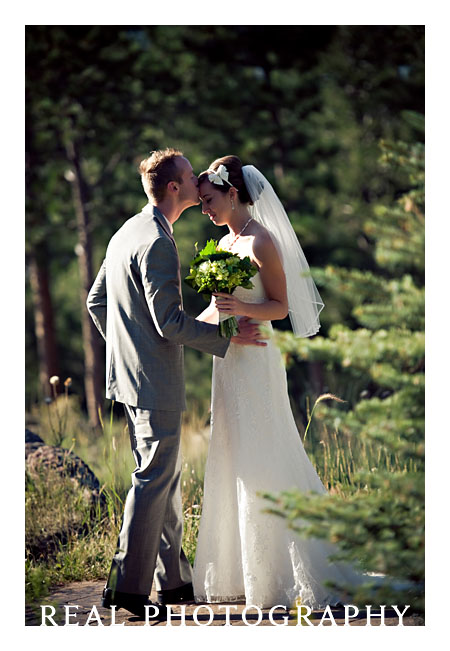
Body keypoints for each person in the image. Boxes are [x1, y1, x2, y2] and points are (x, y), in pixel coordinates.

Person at [86, 148, 265, 620]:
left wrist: (126, 351)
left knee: (164, 478)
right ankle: (127, 589)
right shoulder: (159, 243)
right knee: (153, 480)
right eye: (190, 175)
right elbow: (168, 323)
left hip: (128, 379)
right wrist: (225, 336)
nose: (197, 179)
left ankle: (175, 582)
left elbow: (96, 301)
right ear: (174, 188)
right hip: (152, 382)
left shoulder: (128, 230)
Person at [193, 155, 365, 610]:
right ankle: (240, 569)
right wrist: (185, 330)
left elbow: (281, 307)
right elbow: (218, 307)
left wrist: (241, 311)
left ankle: (278, 572)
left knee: (263, 449)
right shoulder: (222, 244)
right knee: (232, 450)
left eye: (209, 200)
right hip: (228, 359)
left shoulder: (261, 242)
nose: (204, 209)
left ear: (233, 194)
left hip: (257, 357)